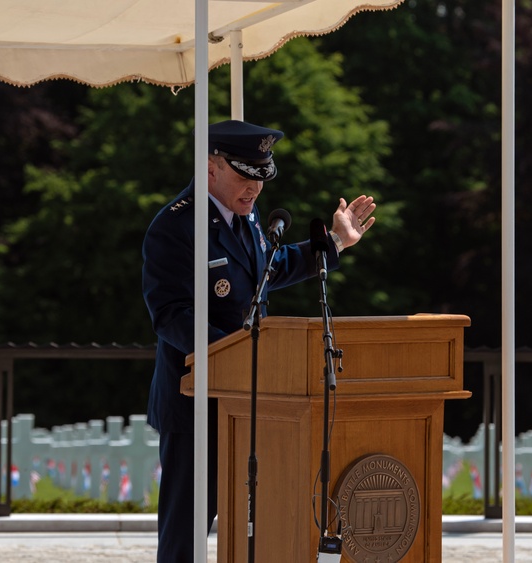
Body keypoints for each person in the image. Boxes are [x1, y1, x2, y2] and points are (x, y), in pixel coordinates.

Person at [141, 119, 376, 562]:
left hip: (252, 400)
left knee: (260, 525)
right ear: (211, 168)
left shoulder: (244, 219)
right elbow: (170, 315)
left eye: (261, 177)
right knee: (185, 534)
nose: (255, 188)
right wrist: (235, 356)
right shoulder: (174, 227)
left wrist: (336, 244)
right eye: (246, 175)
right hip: (199, 405)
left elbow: (275, 265)